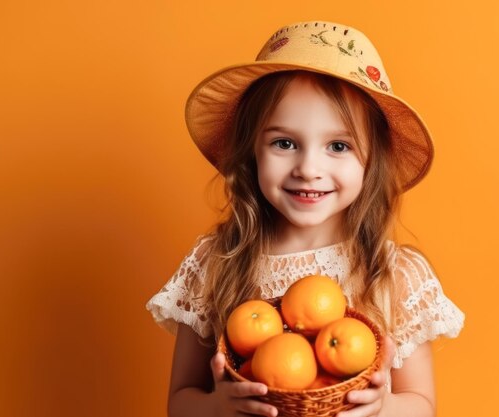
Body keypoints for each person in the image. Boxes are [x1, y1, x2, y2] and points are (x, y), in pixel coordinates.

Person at [146, 20, 465, 417]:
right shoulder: (216, 263)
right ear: (252, 153)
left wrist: (384, 407)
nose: (308, 168)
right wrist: (217, 406)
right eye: (284, 143)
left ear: (372, 162)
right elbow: (180, 401)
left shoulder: (393, 274)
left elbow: (422, 404)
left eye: (338, 145)